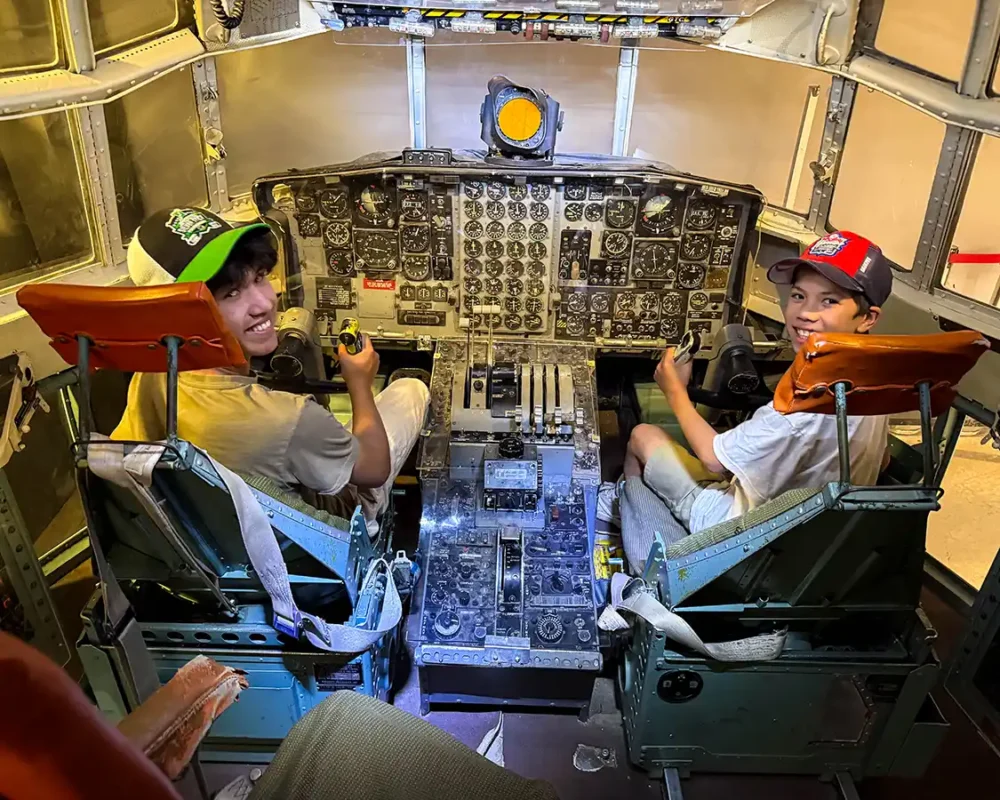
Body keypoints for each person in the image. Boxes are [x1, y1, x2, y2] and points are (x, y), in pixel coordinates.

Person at [112, 207, 430, 523]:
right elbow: (374, 470)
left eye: (259, 277)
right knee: (409, 389)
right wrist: (359, 384)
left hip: (204, 527)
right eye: (231, 293)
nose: (265, 303)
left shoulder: (151, 374)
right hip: (325, 527)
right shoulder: (287, 419)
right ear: (177, 312)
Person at [605, 230, 893, 562]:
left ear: (867, 318)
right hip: (816, 538)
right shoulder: (877, 379)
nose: (805, 313)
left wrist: (675, 391)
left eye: (828, 301)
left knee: (643, 435)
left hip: (739, 532)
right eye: (798, 295)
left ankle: (634, 536)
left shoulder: (801, 402)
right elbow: (882, 459)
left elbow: (714, 459)